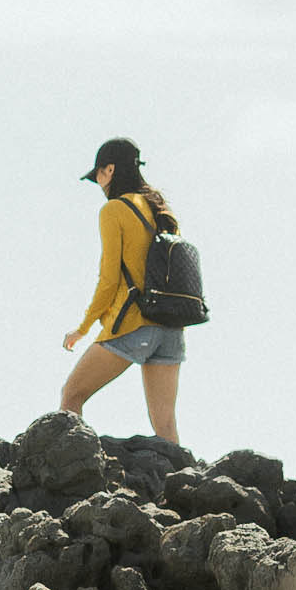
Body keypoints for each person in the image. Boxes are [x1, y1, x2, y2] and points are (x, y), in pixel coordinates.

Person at [60, 136, 186, 445]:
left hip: (132, 325)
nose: (99, 184)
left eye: (99, 175)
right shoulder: (160, 209)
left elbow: (109, 279)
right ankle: (185, 490)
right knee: (167, 429)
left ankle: (72, 478)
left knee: (71, 397)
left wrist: (83, 328)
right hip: (171, 328)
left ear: (110, 170)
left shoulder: (114, 210)